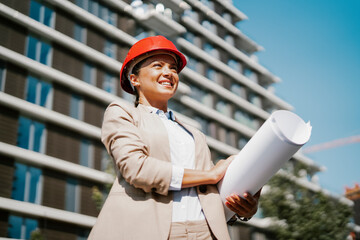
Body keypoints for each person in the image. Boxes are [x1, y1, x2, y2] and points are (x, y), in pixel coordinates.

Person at [88, 35, 261, 240]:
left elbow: (207, 192)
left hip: (206, 232)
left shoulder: (194, 134)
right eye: (158, 65)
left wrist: (242, 209)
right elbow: (136, 168)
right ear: (134, 79)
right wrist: (212, 175)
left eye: (172, 68)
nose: (168, 73)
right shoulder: (122, 113)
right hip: (153, 231)